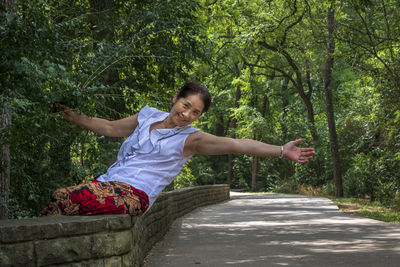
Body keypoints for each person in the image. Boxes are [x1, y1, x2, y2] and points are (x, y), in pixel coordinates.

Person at [39, 82, 315, 217]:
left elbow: (238, 143)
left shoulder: (191, 140)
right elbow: (110, 127)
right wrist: (74, 116)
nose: (187, 114)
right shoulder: (147, 115)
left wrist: (281, 149)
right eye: (185, 105)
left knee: (63, 197)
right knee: (58, 202)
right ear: (175, 99)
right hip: (107, 183)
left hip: (135, 195)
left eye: (195, 112)